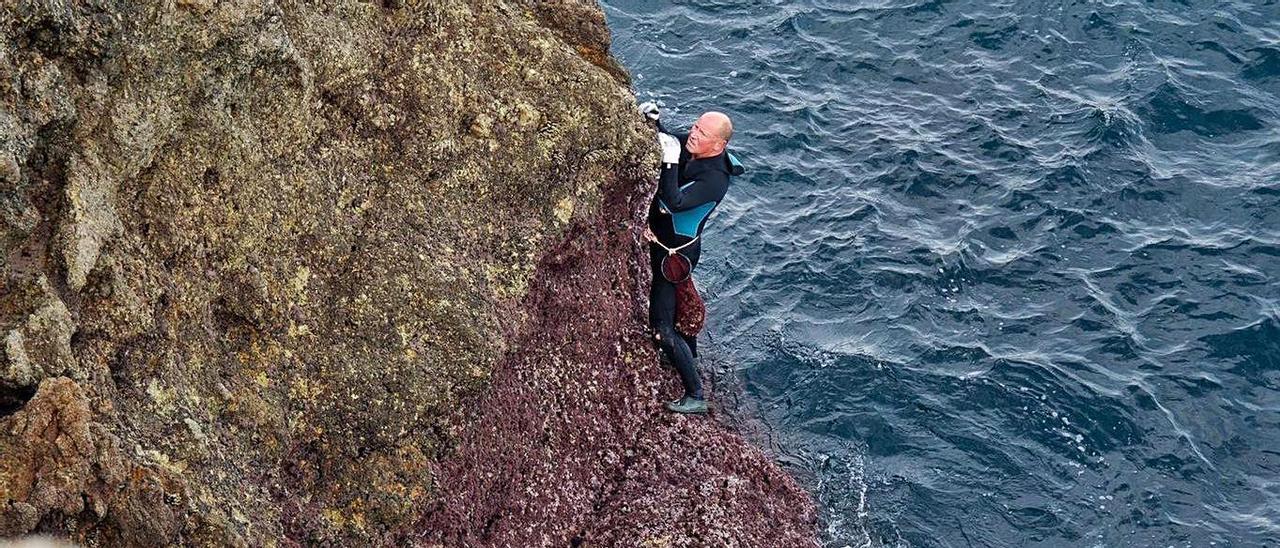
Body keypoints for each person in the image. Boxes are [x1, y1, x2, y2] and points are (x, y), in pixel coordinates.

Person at [637, 101, 740, 414]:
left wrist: (668, 162)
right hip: (666, 244)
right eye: (695, 127)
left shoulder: (715, 181)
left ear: (719, 145)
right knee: (677, 309)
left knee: (661, 326)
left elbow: (674, 201)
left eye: (702, 133)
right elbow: (671, 142)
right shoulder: (694, 145)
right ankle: (688, 355)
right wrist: (655, 123)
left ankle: (694, 394)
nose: (693, 134)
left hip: (675, 256)